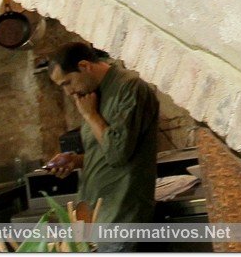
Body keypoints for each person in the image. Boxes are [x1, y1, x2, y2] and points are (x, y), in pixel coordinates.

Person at [44, 43, 159, 250]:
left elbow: (117, 154)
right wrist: (76, 160)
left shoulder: (129, 88)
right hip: (93, 220)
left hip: (121, 218)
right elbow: (102, 150)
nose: (69, 92)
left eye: (67, 83)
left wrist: (91, 115)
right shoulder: (90, 95)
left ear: (85, 66)